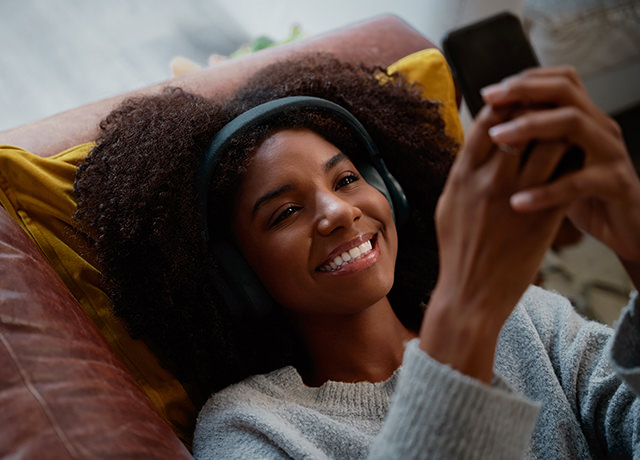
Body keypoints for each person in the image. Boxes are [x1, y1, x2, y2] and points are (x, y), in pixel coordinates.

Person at [73, 53, 640, 458]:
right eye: (284, 212)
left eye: (345, 179)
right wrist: (465, 317)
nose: (338, 212)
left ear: (390, 191)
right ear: (234, 275)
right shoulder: (252, 429)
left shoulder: (524, 321)